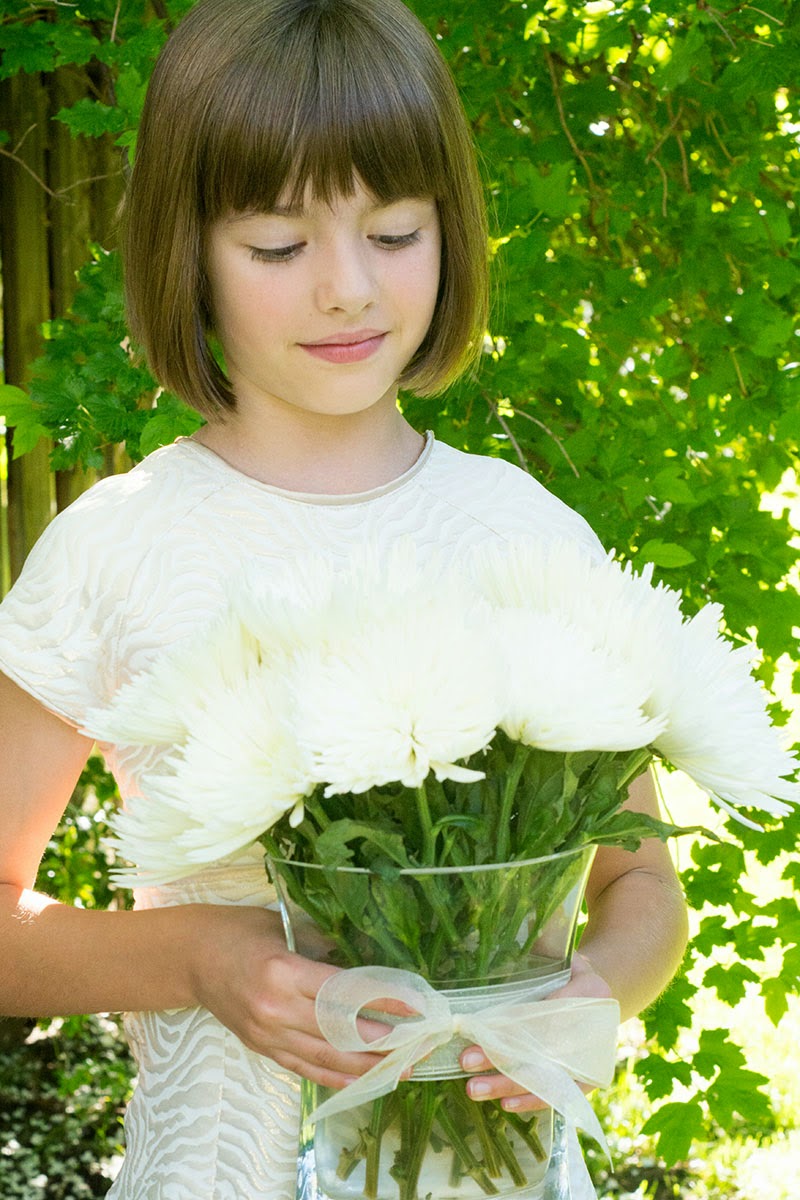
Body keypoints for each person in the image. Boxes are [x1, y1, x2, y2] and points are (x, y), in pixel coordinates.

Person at [0, 0, 689, 1196]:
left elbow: (641, 882)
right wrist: (201, 956)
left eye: (396, 232)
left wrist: (592, 997)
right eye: (277, 245)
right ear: (189, 252)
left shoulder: (525, 534)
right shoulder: (118, 547)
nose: (345, 290)